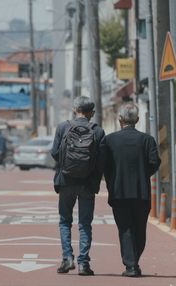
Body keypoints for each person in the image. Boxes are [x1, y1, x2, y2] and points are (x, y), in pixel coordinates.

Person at [103, 102, 161, 277]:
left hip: (118, 191)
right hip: (141, 191)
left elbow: (105, 165)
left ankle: (131, 265)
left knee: (125, 228)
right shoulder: (147, 140)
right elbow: (154, 163)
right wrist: (142, 174)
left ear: (119, 119)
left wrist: (112, 180)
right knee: (140, 228)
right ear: (137, 119)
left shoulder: (109, 140)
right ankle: (134, 262)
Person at [50, 96, 106, 276]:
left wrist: (67, 166)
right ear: (93, 113)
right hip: (88, 184)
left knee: (65, 221)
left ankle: (67, 258)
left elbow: (55, 153)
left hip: (66, 182)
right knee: (85, 223)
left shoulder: (62, 127)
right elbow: (102, 160)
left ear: (74, 110)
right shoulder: (98, 132)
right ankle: (83, 263)